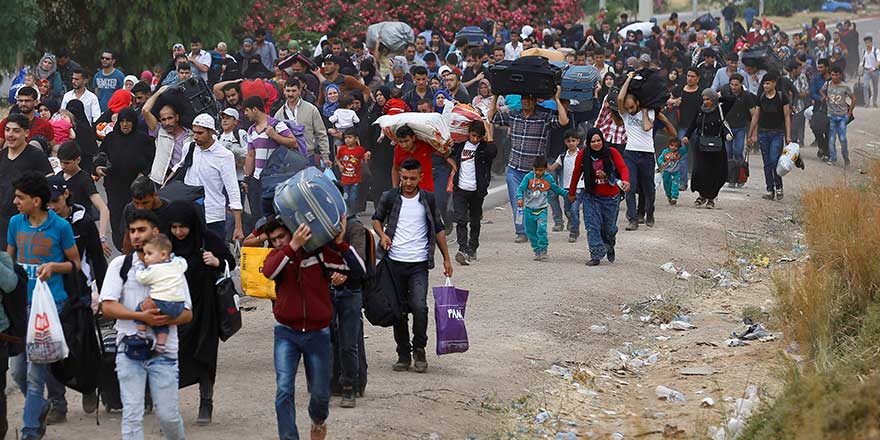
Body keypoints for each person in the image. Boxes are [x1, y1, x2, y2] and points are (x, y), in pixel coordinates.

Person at [262, 216, 364, 440]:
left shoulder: (319, 255)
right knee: (284, 390)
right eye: (273, 239)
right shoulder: (278, 257)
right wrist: (291, 246)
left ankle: (318, 421)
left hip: (317, 333)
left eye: (282, 237)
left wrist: (340, 243)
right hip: (286, 332)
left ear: (293, 230)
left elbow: (358, 269)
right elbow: (268, 271)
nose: (278, 242)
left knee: (320, 393)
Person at [99, 209, 191, 440]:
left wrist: (163, 319)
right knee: (132, 414)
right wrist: (141, 317)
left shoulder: (173, 266)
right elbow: (107, 307)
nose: (136, 235)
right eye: (132, 231)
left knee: (168, 416)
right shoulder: (120, 265)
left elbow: (187, 313)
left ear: (156, 232)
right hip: (128, 349)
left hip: (164, 351)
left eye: (142, 230)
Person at [7, 171, 81, 439]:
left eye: (20, 197)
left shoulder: (60, 227)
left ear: (36, 201)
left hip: (50, 307)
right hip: (20, 309)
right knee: (18, 371)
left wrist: (53, 267)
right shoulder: (15, 223)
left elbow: (75, 264)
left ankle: (30, 431)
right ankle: (41, 406)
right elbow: (9, 262)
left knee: (35, 373)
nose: (15, 202)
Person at [372, 158, 453, 373]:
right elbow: (376, 219)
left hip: (419, 264)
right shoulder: (389, 197)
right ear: (400, 175)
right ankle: (403, 353)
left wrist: (446, 258)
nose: (408, 182)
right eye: (405, 178)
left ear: (421, 177)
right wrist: (382, 236)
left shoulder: (428, 199)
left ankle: (419, 349)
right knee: (398, 311)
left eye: (412, 178)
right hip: (394, 263)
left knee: (419, 307)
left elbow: (438, 228)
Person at [488, 87, 569, 243]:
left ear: (535, 101)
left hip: (535, 172)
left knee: (535, 203)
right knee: (517, 202)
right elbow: (491, 117)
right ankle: (521, 231)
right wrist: (496, 95)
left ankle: (534, 229)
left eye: (529, 98)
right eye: (524, 98)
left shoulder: (544, 117)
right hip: (514, 168)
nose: (526, 101)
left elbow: (564, 121)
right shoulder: (513, 115)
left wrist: (557, 99)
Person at [618, 71, 676, 230]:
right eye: (627, 107)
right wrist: (629, 78)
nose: (629, 110)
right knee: (629, 186)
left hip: (647, 155)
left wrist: (644, 112)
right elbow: (620, 99)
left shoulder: (650, 112)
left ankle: (649, 212)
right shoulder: (625, 114)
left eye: (632, 107)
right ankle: (633, 219)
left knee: (649, 187)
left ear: (638, 102)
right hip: (630, 153)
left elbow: (647, 126)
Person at [95, 108, 155, 250]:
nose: (125, 124)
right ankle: (122, 248)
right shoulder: (111, 138)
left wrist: (144, 174)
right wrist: (97, 167)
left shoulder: (143, 140)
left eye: (128, 121)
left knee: (136, 217)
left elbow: (152, 159)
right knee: (116, 217)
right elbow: (101, 155)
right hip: (114, 185)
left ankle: (137, 246)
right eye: (122, 121)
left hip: (136, 187)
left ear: (134, 122)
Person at [568, 128, 630, 265]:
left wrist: (626, 180)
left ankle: (609, 244)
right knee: (592, 226)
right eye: (593, 141)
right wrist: (571, 193)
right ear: (588, 143)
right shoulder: (583, 155)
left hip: (611, 198)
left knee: (609, 228)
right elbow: (576, 174)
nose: (596, 144)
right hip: (591, 196)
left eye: (598, 140)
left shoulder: (612, 152)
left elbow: (623, 168)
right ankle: (596, 254)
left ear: (602, 140)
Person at [185, 114, 245, 240]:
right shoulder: (189, 148)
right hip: (189, 215)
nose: (195, 136)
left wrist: (238, 226)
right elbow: (178, 170)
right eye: (194, 132)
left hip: (213, 217)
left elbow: (233, 190)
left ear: (211, 132)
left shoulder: (224, 156)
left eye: (200, 133)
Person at [0, 115, 54, 249]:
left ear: (26, 133)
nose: (10, 135)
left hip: (26, 222)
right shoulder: (2, 155)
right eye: (7, 130)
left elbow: (49, 187)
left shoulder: (36, 156)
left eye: (16, 131)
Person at [451, 120, 496, 265]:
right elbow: (446, 152)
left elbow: (493, 152)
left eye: (478, 137)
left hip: (477, 191)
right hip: (460, 189)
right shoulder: (460, 146)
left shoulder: (484, 149)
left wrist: (488, 131)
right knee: (461, 220)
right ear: (468, 133)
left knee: (475, 221)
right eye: (473, 135)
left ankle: (473, 247)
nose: (475, 139)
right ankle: (462, 249)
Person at [132, 234, 187, 353]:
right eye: (145, 254)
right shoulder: (176, 265)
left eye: (149, 253)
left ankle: (140, 333)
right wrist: (174, 258)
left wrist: (139, 266)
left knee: (140, 309)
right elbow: (184, 264)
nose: (146, 257)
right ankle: (161, 344)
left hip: (162, 301)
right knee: (162, 324)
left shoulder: (154, 269)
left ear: (162, 255)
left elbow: (142, 278)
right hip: (179, 305)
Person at [244, 95, 297, 217]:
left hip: (274, 179)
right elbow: (250, 155)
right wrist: (247, 178)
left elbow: (293, 142)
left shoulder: (276, 125)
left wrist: (275, 136)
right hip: (257, 180)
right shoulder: (251, 130)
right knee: (258, 215)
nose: (245, 114)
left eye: (247, 110)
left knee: (274, 215)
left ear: (255, 109)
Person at [55, 141, 111, 252]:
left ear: (78, 160)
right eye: (61, 162)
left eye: (67, 163)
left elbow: (103, 209)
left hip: (81, 231)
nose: (63, 166)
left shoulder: (84, 179)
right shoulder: (59, 176)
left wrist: (102, 237)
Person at [683, 89, 732, 208]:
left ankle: (711, 197)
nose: (705, 102)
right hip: (701, 145)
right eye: (704, 99)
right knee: (700, 170)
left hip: (717, 146)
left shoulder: (720, 109)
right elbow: (693, 123)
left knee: (714, 172)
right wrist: (687, 135)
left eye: (708, 99)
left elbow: (732, 100)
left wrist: (718, 98)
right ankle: (702, 195)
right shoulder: (700, 110)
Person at [749, 71, 791, 201]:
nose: (765, 86)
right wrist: (750, 134)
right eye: (764, 84)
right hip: (763, 133)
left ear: (774, 83)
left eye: (768, 83)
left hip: (777, 133)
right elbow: (756, 116)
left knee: (774, 160)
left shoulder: (782, 97)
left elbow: (787, 117)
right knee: (766, 163)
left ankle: (779, 186)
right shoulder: (761, 97)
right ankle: (770, 189)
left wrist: (788, 135)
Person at [516, 156, 568, 261]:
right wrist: (520, 198)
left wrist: (568, 194)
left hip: (542, 210)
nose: (538, 172)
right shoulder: (528, 177)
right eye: (536, 170)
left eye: (540, 170)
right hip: (529, 210)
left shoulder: (548, 178)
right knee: (531, 232)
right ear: (533, 168)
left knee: (542, 230)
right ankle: (536, 250)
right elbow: (520, 189)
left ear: (545, 169)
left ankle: (543, 250)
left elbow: (556, 189)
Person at [142, 86, 195, 184]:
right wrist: (158, 92)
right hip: (160, 180)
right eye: (163, 119)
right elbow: (145, 110)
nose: (167, 123)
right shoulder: (159, 131)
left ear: (177, 117)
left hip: (184, 180)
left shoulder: (190, 136)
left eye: (170, 118)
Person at [274, 78, 331, 167]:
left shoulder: (311, 109)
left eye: (293, 91)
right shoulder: (279, 114)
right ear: (284, 91)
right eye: (288, 91)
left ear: (299, 91)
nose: (290, 94)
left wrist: (325, 156)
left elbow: (321, 134)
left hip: (308, 156)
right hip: (288, 158)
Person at [391, 125, 454, 194]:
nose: (404, 145)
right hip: (408, 191)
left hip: (427, 190)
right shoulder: (398, 150)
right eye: (401, 142)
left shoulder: (425, 145)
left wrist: (448, 144)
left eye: (406, 141)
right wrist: (395, 189)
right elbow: (395, 169)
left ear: (413, 138)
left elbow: (444, 153)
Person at [720, 73, 757, 188]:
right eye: (732, 84)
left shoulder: (746, 96)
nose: (734, 87)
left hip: (741, 127)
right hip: (727, 127)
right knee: (728, 152)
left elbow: (754, 114)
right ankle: (730, 177)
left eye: (736, 85)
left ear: (741, 84)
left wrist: (753, 133)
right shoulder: (725, 92)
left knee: (738, 150)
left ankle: (740, 176)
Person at [548, 130, 584, 243]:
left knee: (574, 209)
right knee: (567, 210)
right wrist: (542, 166)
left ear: (578, 141)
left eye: (573, 140)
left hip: (579, 187)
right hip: (566, 188)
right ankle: (572, 222)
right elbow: (552, 168)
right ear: (565, 142)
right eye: (569, 141)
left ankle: (574, 232)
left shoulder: (582, 154)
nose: (571, 143)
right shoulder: (562, 156)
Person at [821, 66, 855, 166]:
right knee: (831, 139)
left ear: (840, 75)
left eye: (836, 75)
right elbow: (821, 90)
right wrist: (825, 97)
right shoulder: (827, 84)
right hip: (831, 115)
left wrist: (849, 113)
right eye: (833, 75)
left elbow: (853, 99)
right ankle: (833, 158)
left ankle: (846, 157)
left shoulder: (845, 86)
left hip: (842, 117)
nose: (834, 77)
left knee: (843, 139)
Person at [336, 128, 370, 213]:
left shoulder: (360, 150)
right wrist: (340, 166)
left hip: (356, 179)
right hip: (345, 179)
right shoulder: (342, 149)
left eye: (350, 137)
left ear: (356, 138)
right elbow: (337, 158)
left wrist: (366, 157)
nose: (347, 140)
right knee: (346, 197)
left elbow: (365, 161)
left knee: (353, 197)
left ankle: (353, 212)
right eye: (345, 138)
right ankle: (347, 212)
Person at [657, 138, 687, 205]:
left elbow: (685, 149)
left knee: (675, 184)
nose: (673, 147)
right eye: (672, 145)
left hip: (675, 171)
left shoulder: (679, 152)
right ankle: (669, 195)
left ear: (678, 147)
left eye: (676, 146)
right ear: (669, 145)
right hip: (666, 171)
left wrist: (686, 144)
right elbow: (660, 158)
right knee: (666, 184)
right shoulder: (665, 151)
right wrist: (661, 162)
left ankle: (674, 197)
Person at [862, 36, 879, 107]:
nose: (867, 45)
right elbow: (863, 61)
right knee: (865, 86)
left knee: (875, 87)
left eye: (868, 43)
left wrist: (874, 68)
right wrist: (861, 69)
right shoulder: (864, 51)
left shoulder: (876, 51)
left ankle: (874, 102)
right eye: (866, 43)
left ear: (871, 43)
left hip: (875, 71)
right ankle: (867, 102)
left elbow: (878, 61)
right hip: (866, 70)